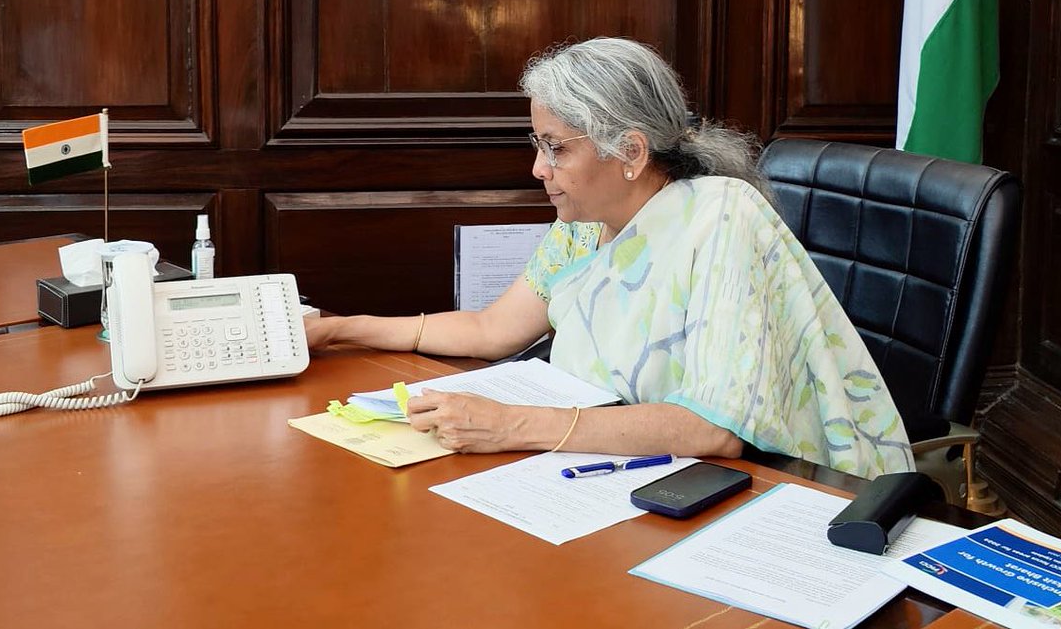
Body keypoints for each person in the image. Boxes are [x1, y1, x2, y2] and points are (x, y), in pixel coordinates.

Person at [305, 37, 914, 479]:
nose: (538, 169)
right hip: (625, 467)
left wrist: (511, 424)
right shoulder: (584, 223)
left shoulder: (721, 218)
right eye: (537, 144)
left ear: (630, 150)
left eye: (555, 148)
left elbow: (714, 430)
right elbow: (493, 330)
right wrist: (339, 329)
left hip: (780, 486)